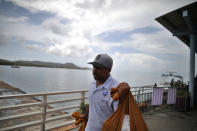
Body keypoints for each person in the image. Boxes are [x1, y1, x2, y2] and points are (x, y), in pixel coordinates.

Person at [84, 54, 130, 131]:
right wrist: (85, 115)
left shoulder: (116, 89)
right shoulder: (92, 84)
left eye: (98, 68)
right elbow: (92, 102)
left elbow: (121, 115)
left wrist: (122, 98)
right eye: (94, 67)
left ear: (108, 70)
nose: (94, 71)